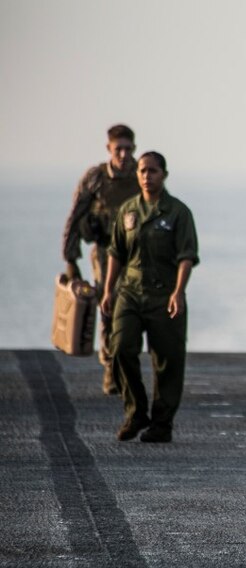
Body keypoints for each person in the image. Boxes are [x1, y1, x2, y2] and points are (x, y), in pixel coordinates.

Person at [100, 152, 199, 444]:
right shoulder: (128, 211)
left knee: (168, 362)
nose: (147, 176)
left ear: (164, 175)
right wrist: (108, 290)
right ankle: (135, 411)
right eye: (143, 171)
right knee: (119, 349)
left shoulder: (178, 212)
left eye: (153, 171)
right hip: (130, 293)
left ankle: (161, 424)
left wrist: (178, 292)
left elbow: (186, 257)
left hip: (164, 295)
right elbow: (116, 252)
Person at [61, 124, 140, 394]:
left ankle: (124, 368)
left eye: (128, 149)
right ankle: (110, 368)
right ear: (109, 149)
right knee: (108, 309)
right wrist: (71, 259)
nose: (124, 154)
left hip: (136, 254)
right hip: (106, 252)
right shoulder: (96, 178)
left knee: (132, 314)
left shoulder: (142, 174)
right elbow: (75, 216)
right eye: (118, 149)